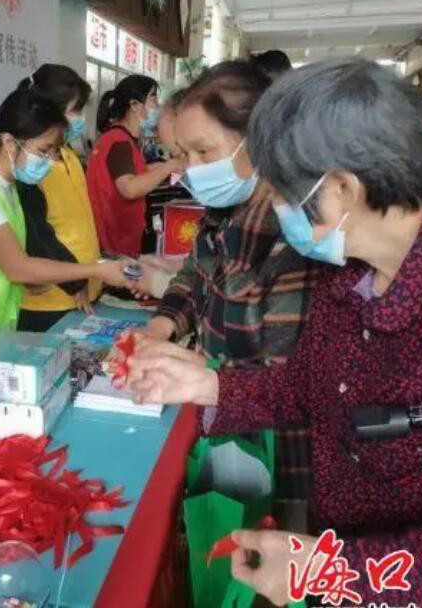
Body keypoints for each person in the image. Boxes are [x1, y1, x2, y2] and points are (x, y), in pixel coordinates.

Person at [125, 58, 422, 606]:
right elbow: (311, 385)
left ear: (342, 187)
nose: (272, 207)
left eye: (281, 192)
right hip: (335, 550)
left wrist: (334, 572)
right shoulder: (350, 273)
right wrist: (211, 387)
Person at [141, 61, 324, 527]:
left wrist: (202, 374)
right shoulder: (223, 211)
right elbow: (195, 274)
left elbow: (289, 379)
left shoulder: (291, 234)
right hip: (228, 421)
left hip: (279, 452)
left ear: (257, 139)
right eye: (183, 155)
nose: (190, 170)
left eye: (204, 151)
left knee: (266, 546)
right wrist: (163, 325)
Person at [0, 87, 133, 359]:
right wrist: (96, 270)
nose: (50, 161)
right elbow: (17, 267)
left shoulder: (10, 184)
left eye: (54, 151)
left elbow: (10, 258)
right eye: (44, 151)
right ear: (9, 142)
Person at [14, 64, 103, 332]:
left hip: (84, 290)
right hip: (50, 300)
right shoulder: (29, 166)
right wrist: (74, 281)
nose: (80, 119)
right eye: (76, 110)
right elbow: (37, 236)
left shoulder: (69, 155)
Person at [86, 74, 183, 258]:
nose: (158, 106)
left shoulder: (122, 139)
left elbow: (134, 172)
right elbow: (129, 188)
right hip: (115, 241)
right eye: (153, 98)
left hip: (119, 237)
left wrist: (158, 167)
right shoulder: (119, 142)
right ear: (134, 105)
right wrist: (169, 166)